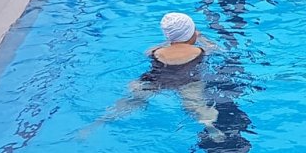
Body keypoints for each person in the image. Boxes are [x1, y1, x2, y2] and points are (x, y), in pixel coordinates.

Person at [82, 12, 224, 141]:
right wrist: (202, 38)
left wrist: (170, 42)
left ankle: (97, 123)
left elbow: (148, 52)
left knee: (131, 100)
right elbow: (217, 49)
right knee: (195, 105)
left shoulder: (156, 51)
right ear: (192, 33)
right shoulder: (200, 50)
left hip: (156, 77)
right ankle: (210, 127)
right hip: (187, 80)